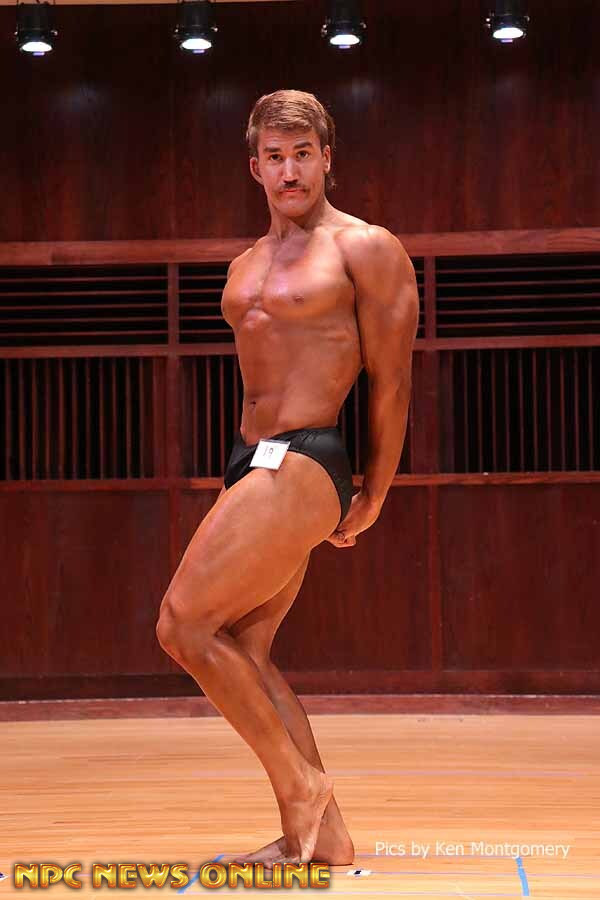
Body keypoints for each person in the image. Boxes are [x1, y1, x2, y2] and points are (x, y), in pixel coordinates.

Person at [156, 89, 419, 869]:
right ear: (256, 168)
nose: (290, 170)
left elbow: (393, 381)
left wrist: (376, 492)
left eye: (303, 154)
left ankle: (300, 786)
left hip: (310, 456)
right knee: (243, 645)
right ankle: (324, 839)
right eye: (275, 156)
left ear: (327, 159)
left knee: (181, 624)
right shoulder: (245, 264)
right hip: (251, 461)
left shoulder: (365, 247)